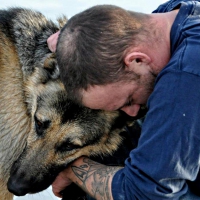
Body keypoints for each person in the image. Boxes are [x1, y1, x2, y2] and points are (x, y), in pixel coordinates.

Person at [47, 0, 200, 199]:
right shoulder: (171, 16)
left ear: (138, 60)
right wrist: (74, 42)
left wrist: (74, 170)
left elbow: (147, 194)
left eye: (128, 100)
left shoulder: (185, 76)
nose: (132, 112)